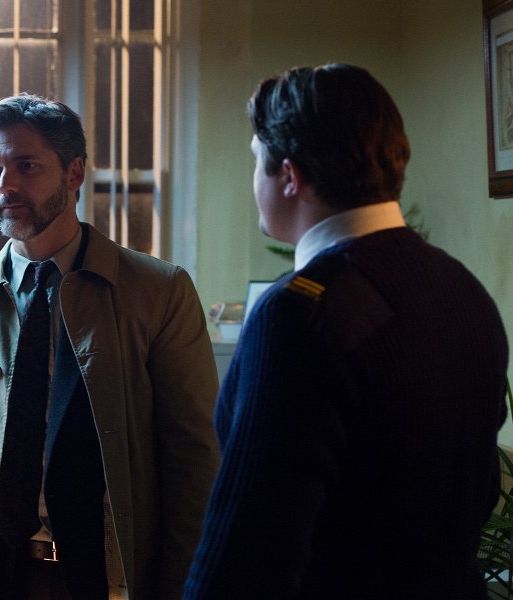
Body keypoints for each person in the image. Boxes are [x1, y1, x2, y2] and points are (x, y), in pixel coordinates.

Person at [183, 64, 510, 599]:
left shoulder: (298, 316)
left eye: (257, 161)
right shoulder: (464, 290)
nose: (254, 181)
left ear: (290, 176)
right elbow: (477, 491)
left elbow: (247, 556)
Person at [0, 93, 219, 600]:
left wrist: (181, 585)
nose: (6, 185)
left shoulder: (157, 292)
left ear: (74, 172)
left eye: (26, 166)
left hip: (109, 576)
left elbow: (193, 458)